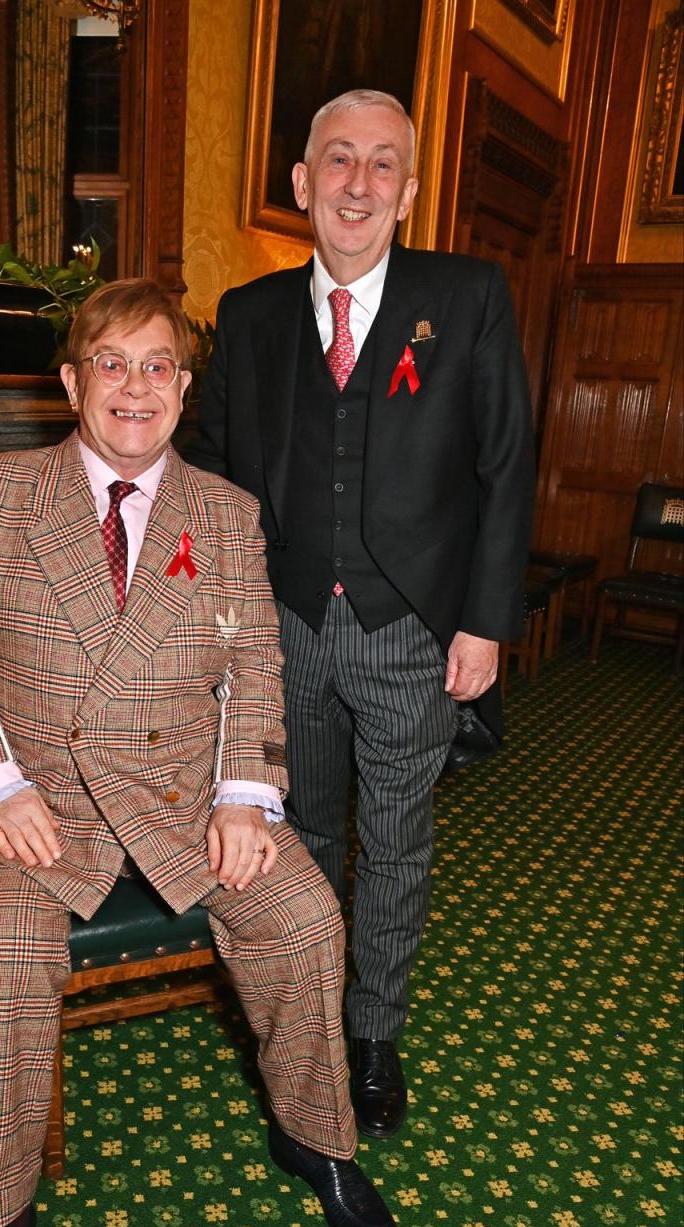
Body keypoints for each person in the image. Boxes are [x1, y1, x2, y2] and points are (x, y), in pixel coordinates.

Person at [0, 278, 400, 1227]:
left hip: (189, 795)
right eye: (113, 363)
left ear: (185, 387)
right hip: (36, 807)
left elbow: (251, 666)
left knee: (306, 918)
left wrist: (245, 792)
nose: (137, 386)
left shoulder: (223, 513)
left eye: (161, 366)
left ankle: (318, 1139)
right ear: (73, 381)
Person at [184, 91, 535, 1146]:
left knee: (394, 839)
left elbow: (506, 466)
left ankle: (373, 1036)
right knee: (301, 832)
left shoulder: (467, 296)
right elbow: (201, 463)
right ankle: (301, 1019)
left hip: (415, 626)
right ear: (302, 184)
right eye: (339, 161)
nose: (358, 183)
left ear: (410, 192)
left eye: (384, 165)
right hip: (284, 624)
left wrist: (485, 621)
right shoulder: (246, 316)